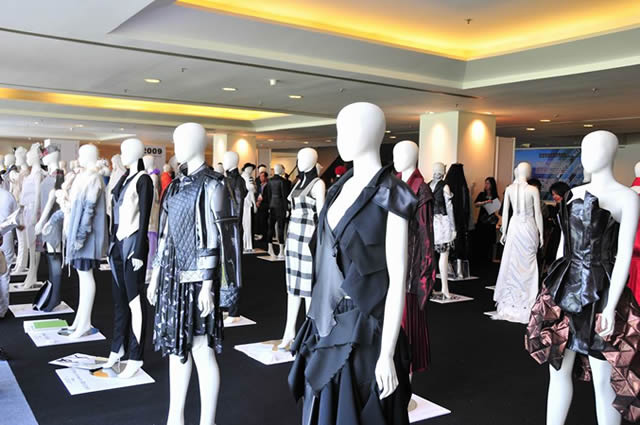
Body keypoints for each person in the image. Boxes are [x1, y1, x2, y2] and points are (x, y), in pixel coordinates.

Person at [474, 177, 500, 264]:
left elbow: (497, 207)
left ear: (492, 185)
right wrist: (485, 202)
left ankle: (490, 258)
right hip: (482, 219)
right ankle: (481, 257)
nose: (486, 185)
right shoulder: (482, 194)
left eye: (488, 183)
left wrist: (493, 204)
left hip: (491, 220)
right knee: (481, 238)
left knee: (490, 239)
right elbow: (476, 204)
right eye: (485, 183)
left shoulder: (495, 196)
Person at [255, 171, 269, 240]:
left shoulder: (268, 185)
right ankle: (260, 234)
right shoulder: (259, 185)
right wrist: (257, 201)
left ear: (266, 177)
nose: (260, 178)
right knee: (259, 220)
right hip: (259, 205)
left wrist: (261, 200)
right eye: (260, 176)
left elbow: (268, 196)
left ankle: (264, 236)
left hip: (265, 205)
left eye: (262, 176)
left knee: (264, 221)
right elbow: (257, 194)